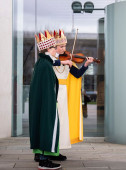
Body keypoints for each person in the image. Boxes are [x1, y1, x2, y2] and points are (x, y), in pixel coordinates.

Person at [38, 29, 93, 160]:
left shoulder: (69, 61)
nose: (64, 49)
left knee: (61, 122)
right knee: (50, 122)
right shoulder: (49, 60)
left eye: (65, 46)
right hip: (52, 91)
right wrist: (63, 62)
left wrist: (85, 64)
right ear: (53, 48)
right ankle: (43, 152)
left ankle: (55, 151)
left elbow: (78, 74)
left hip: (63, 95)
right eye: (61, 46)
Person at [29, 30, 72, 169]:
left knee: (43, 127)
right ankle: (44, 161)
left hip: (43, 102)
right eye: (54, 48)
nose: (57, 50)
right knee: (47, 128)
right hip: (46, 103)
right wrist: (51, 104)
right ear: (48, 49)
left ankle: (43, 157)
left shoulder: (43, 62)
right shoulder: (45, 65)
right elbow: (47, 88)